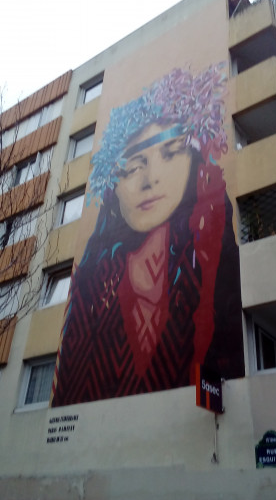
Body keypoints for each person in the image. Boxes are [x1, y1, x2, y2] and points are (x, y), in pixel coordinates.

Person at [51, 65, 244, 407]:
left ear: (195, 160)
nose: (150, 179)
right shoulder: (92, 289)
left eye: (170, 153)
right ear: (113, 185)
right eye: (133, 165)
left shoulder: (214, 261)